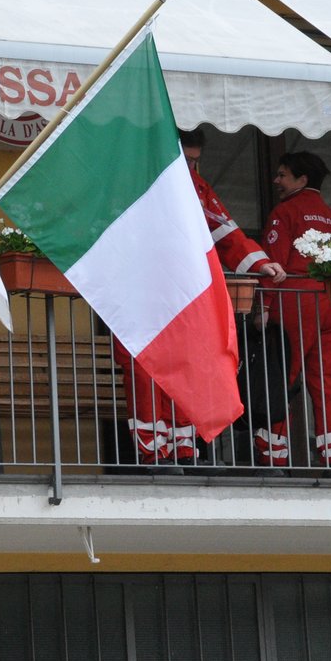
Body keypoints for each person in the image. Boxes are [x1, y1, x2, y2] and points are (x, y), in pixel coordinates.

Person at [113, 127, 286, 468]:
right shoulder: (132, 178)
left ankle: (184, 448)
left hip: (181, 294)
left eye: (196, 162)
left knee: (183, 366)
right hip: (138, 291)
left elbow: (225, 230)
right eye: (187, 160)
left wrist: (260, 263)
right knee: (144, 369)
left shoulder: (195, 185)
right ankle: (153, 452)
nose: (192, 168)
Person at [255, 151, 331, 473]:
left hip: (297, 302)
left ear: (302, 180)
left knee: (282, 377)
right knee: (328, 379)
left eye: (283, 175)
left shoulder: (285, 212)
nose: (276, 181)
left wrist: (263, 307)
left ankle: (274, 457)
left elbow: (273, 264)